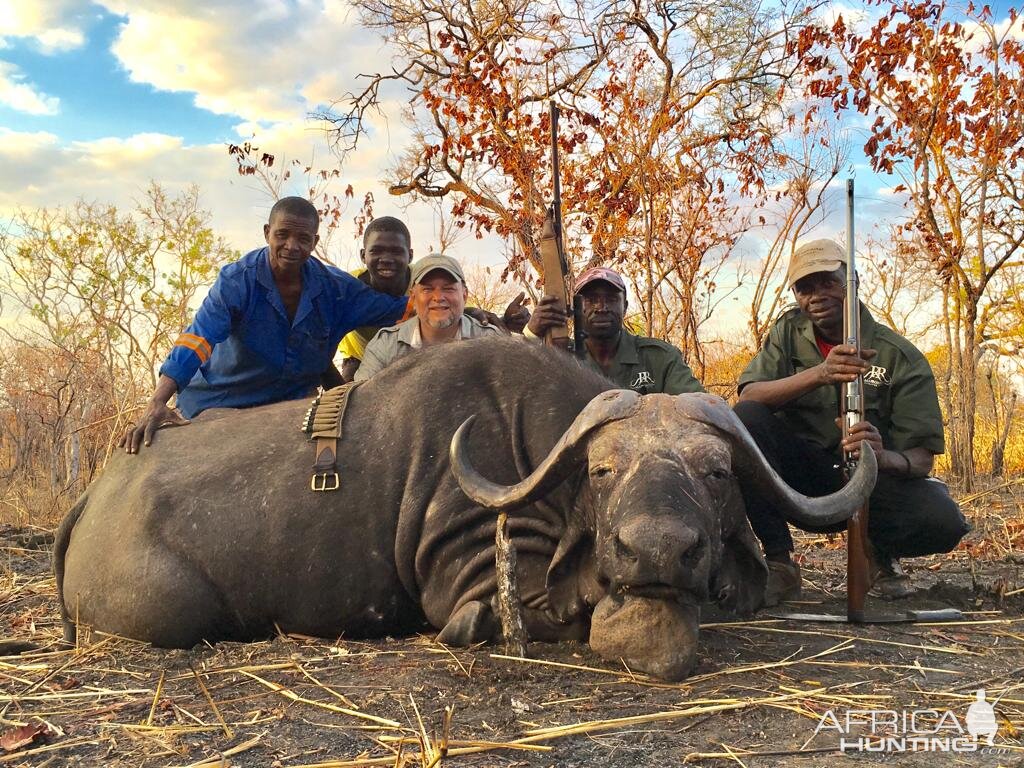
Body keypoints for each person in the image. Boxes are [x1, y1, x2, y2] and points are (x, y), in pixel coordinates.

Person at [734, 238, 970, 604]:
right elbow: (750, 397)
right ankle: (779, 561)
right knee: (745, 421)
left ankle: (879, 552)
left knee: (943, 520)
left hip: (872, 485)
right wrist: (821, 373)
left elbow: (922, 460)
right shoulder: (785, 333)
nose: (816, 295)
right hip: (803, 482)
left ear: (852, 281)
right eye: (805, 287)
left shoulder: (901, 356)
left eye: (828, 282)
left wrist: (879, 454)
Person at [122, 197, 411, 453]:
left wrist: (447, 296)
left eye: (303, 238)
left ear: (315, 241)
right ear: (266, 233)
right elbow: (197, 338)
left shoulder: (337, 289)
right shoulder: (237, 280)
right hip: (220, 401)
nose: (291, 246)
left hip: (290, 410)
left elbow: (401, 311)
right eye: (282, 235)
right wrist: (159, 400)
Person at [339, 217, 531, 382]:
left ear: (409, 255)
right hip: (362, 356)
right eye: (377, 251)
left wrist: (508, 323)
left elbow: (456, 313)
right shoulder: (346, 288)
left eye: (396, 252)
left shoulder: (422, 277)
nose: (387, 259)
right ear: (363, 255)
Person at [525, 266, 703, 394]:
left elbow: (698, 406)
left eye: (611, 299)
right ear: (577, 309)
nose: (601, 308)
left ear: (624, 307)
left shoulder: (660, 358)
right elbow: (518, 395)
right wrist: (531, 333)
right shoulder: (560, 357)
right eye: (591, 300)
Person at [355, 253, 503, 380]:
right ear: (412, 297)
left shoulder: (492, 341)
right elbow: (359, 405)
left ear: (464, 295)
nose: (438, 297)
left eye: (448, 288)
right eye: (427, 289)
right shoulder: (385, 346)